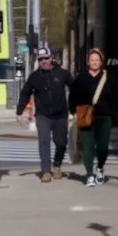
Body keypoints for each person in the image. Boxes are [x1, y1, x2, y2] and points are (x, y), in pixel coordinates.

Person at [68, 48, 118, 188]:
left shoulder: (109, 76)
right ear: (88, 62)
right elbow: (73, 96)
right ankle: (89, 175)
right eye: (92, 60)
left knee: (102, 147)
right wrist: (73, 111)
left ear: (101, 62)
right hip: (85, 117)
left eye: (97, 60)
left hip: (105, 116)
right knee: (88, 147)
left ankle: (100, 168)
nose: (94, 62)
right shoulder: (81, 77)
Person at [16, 47, 74, 182]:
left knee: (61, 143)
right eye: (41, 59)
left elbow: (74, 88)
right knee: (44, 141)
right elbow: (25, 93)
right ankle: (46, 171)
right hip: (43, 116)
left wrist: (75, 106)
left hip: (60, 115)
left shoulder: (62, 73)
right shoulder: (34, 76)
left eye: (46, 58)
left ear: (51, 58)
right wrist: (19, 111)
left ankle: (57, 165)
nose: (44, 62)